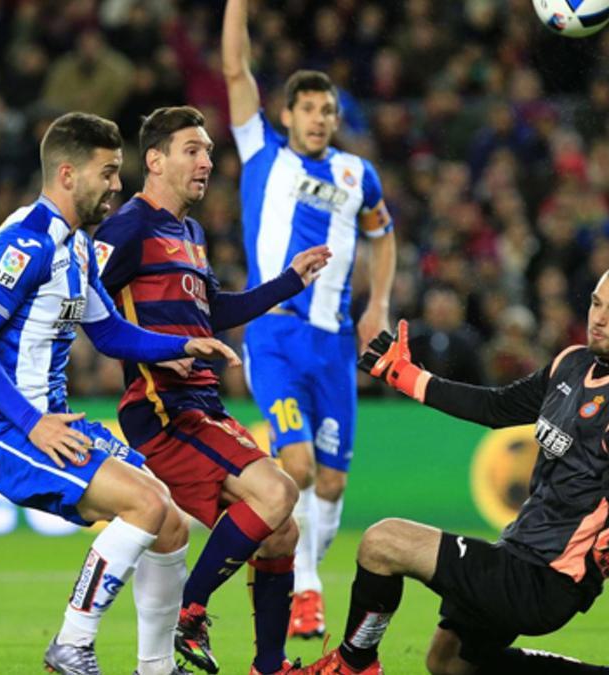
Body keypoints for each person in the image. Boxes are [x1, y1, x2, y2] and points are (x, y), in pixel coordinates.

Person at [0, 111, 241, 675]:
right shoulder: (26, 241)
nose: (116, 186)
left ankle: (155, 667)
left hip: (57, 423)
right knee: (145, 504)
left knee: (172, 522)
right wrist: (31, 422)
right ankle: (71, 644)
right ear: (67, 173)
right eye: (107, 173)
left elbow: (109, 332)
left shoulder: (78, 249)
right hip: (6, 430)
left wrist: (185, 345)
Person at [295, 264, 609, 675]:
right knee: (448, 662)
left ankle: (353, 665)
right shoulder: (573, 363)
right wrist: (408, 377)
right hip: (517, 552)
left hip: (549, 576)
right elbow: (496, 407)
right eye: (597, 303)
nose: (598, 318)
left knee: (383, 542)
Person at [94, 106, 331, 675]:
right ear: (155, 160)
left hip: (203, 405)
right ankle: (187, 611)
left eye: (208, 151)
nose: (207, 161)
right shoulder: (126, 228)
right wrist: (162, 350)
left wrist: (287, 282)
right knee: (277, 494)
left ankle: (269, 667)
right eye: (193, 150)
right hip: (163, 408)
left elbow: (212, 312)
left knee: (280, 534)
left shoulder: (190, 233)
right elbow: (83, 307)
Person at [221, 0, 399, 639]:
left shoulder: (358, 175)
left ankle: (296, 574)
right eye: (309, 109)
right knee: (294, 466)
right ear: (287, 114)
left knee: (332, 479)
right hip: (273, 335)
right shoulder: (262, 156)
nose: (320, 119)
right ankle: (307, 588)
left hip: (333, 344)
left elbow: (384, 236)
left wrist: (377, 303)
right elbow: (236, 70)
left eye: (329, 110)